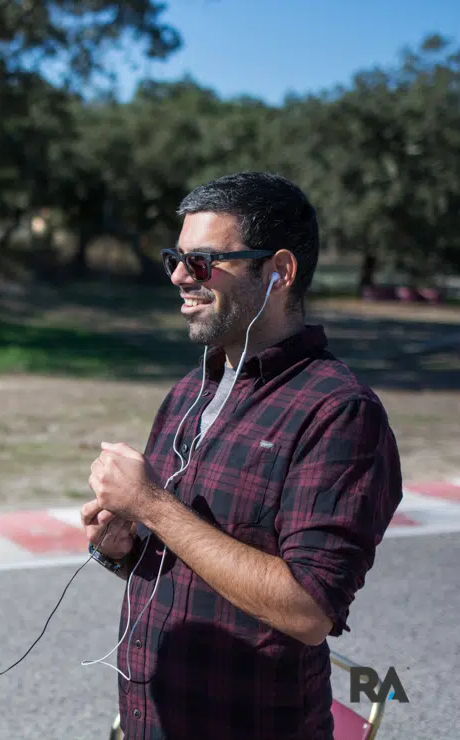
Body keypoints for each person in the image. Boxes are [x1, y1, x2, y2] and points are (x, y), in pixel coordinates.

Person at [80, 172, 403, 740]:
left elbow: (308, 611)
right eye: (174, 259)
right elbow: (189, 561)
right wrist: (124, 546)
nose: (180, 277)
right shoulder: (191, 390)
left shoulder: (339, 412)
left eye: (203, 261)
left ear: (279, 272)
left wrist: (154, 505)